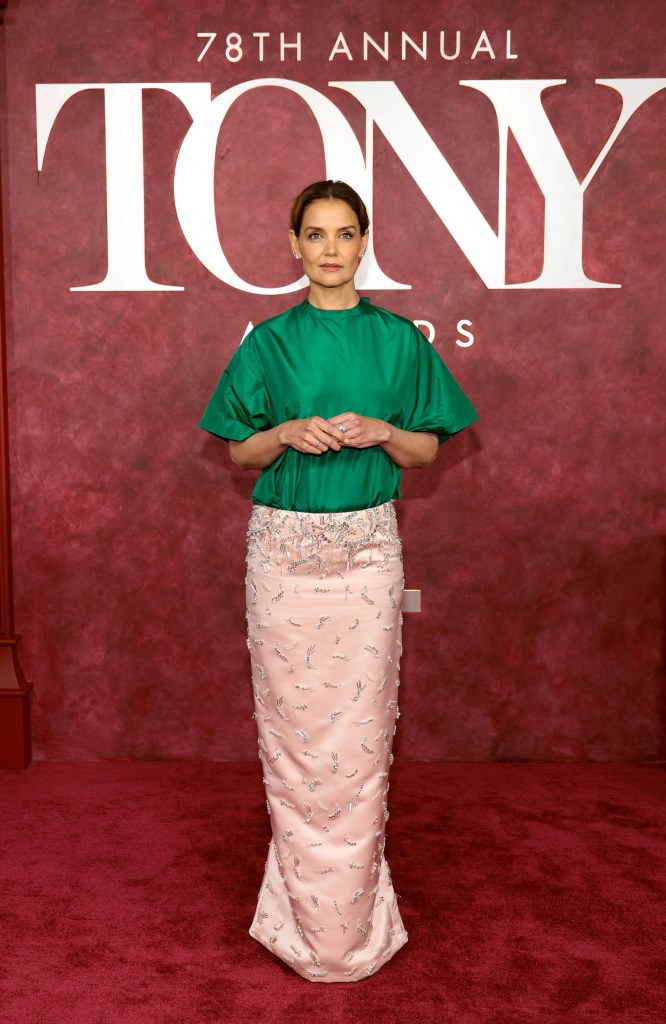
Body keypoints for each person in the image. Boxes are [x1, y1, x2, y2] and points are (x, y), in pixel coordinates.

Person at [200, 180, 478, 982]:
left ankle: (350, 923)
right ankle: (299, 916)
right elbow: (238, 453)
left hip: (365, 554)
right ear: (293, 244)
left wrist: (387, 429)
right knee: (293, 745)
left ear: (364, 243)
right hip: (282, 554)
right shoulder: (268, 343)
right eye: (314, 234)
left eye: (344, 233)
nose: (329, 248)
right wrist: (283, 431)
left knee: (357, 751)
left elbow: (425, 451)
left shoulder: (398, 341)